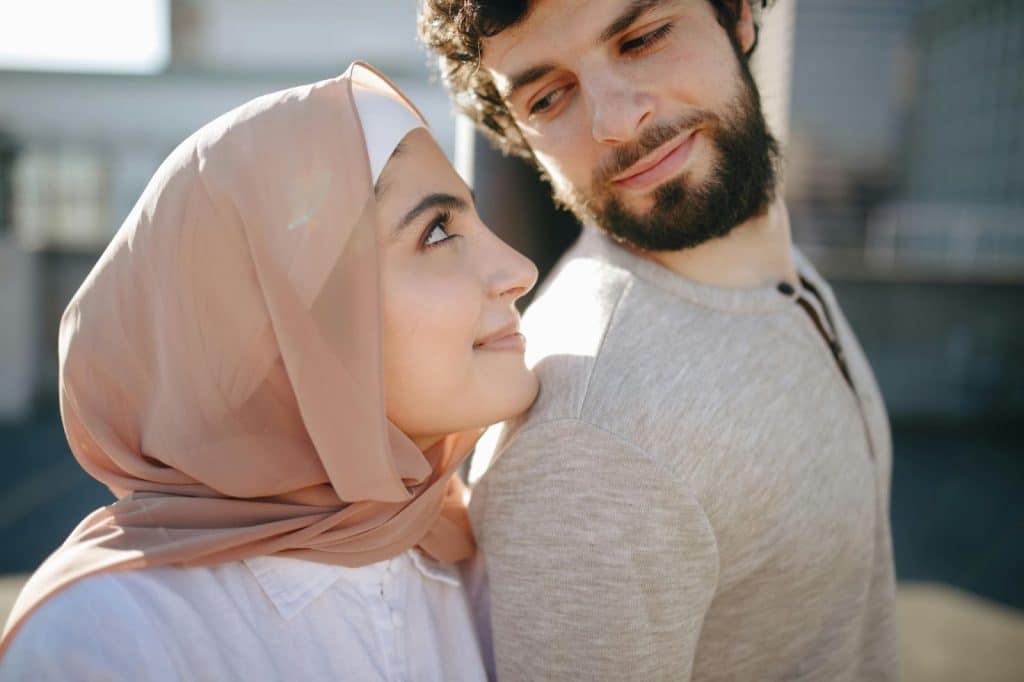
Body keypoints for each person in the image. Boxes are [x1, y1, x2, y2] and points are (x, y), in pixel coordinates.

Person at [0, 62, 536, 681]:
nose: (518, 269)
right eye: (438, 232)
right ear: (281, 325)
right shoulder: (108, 636)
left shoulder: (468, 558)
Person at [419, 1, 898, 679]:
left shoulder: (768, 267)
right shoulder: (590, 443)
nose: (616, 121)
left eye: (643, 39)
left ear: (737, 15)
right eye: (548, 97)